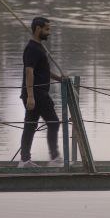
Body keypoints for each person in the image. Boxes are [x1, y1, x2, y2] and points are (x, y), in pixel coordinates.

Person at [19, 16, 66, 168]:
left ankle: (25, 160)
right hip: (37, 93)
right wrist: (31, 96)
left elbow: (42, 71)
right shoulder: (32, 48)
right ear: (38, 29)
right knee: (53, 123)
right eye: (47, 29)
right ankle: (54, 158)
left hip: (37, 93)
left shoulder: (38, 47)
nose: (49, 32)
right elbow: (29, 72)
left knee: (30, 126)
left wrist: (59, 78)